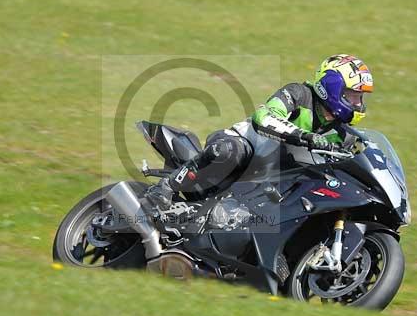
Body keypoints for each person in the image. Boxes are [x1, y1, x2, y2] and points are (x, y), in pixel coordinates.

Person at [144, 54, 374, 211]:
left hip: (273, 179)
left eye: (360, 98)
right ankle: (165, 188)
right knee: (230, 151)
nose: (357, 103)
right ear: (332, 87)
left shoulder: (344, 135)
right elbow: (264, 117)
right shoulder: (299, 94)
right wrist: (304, 136)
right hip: (241, 146)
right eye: (353, 95)